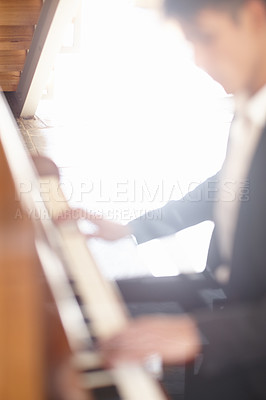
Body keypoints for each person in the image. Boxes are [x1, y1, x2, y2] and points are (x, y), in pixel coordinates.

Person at [65, 0, 266, 398]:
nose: (199, 59)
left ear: (256, 14)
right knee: (93, 310)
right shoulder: (251, 105)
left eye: (207, 38)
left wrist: (204, 332)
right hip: (223, 295)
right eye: (191, 41)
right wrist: (133, 228)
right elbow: (226, 187)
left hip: (252, 344)